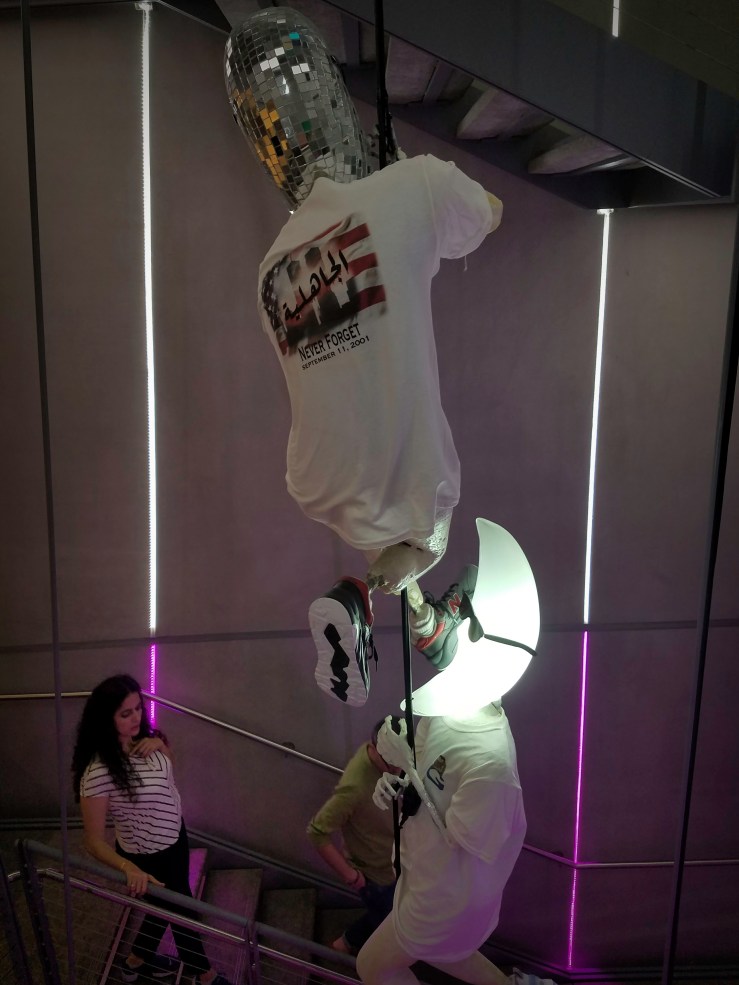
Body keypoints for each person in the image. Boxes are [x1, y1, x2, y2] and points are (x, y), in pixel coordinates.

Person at [225, 8, 503, 706]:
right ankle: (370, 595)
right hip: (378, 475)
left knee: (400, 514)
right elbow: (490, 212)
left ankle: (369, 599)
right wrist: (404, 169)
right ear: (334, 103)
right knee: (424, 532)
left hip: (325, 473)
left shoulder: (268, 272)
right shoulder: (407, 187)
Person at [71, 675, 230, 985]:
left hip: (175, 838)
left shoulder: (145, 740)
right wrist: (128, 868)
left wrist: (162, 746)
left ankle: (135, 961)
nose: (136, 717)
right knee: (181, 909)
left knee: (164, 904)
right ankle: (205, 975)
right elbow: (92, 841)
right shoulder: (98, 772)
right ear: (106, 719)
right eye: (125, 713)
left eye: (138, 708)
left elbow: (167, 777)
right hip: (147, 854)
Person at [307, 719, 401, 955]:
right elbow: (317, 832)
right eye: (391, 763)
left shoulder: (387, 758)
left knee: (388, 913)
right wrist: (351, 876)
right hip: (375, 874)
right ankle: (356, 951)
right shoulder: (355, 787)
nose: (397, 770)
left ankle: (347, 943)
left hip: (393, 859)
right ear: (376, 748)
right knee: (390, 919)